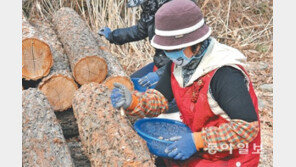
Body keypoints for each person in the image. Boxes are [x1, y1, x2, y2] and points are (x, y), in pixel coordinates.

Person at [110, 0, 261, 166]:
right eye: (167, 49)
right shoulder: (179, 65)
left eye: (175, 49)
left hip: (231, 156)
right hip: (200, 147)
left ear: (196, 43)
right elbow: (159, 98)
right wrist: (135, 101)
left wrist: (197, 140)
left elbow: (247, 128)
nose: (171, 55)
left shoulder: (224, 73)